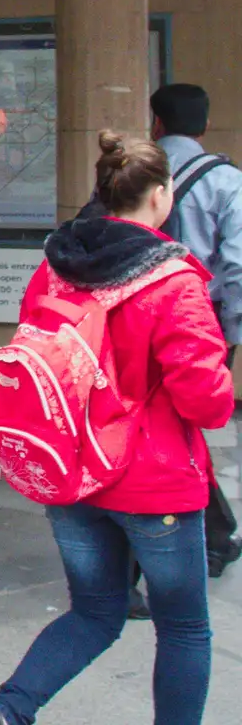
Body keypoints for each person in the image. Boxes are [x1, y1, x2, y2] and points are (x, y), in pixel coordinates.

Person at [0, 132, 234, 725]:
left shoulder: (56, 267)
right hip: (154, 485)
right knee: (185, 628)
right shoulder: (173, 282)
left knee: (94, 612)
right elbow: (208, 402)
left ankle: (7, 713)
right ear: (161, 196)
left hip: (70, 474)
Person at [151, 82, 242, 576]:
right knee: (183, 425)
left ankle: (212, 534)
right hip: (199, 324)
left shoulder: (130, 173)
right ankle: (208, 537)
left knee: (156, 424)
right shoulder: (227, 181)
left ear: (157, 124)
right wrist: (229, 336)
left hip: (133, 321)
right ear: (205, 125)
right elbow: (238, 266)